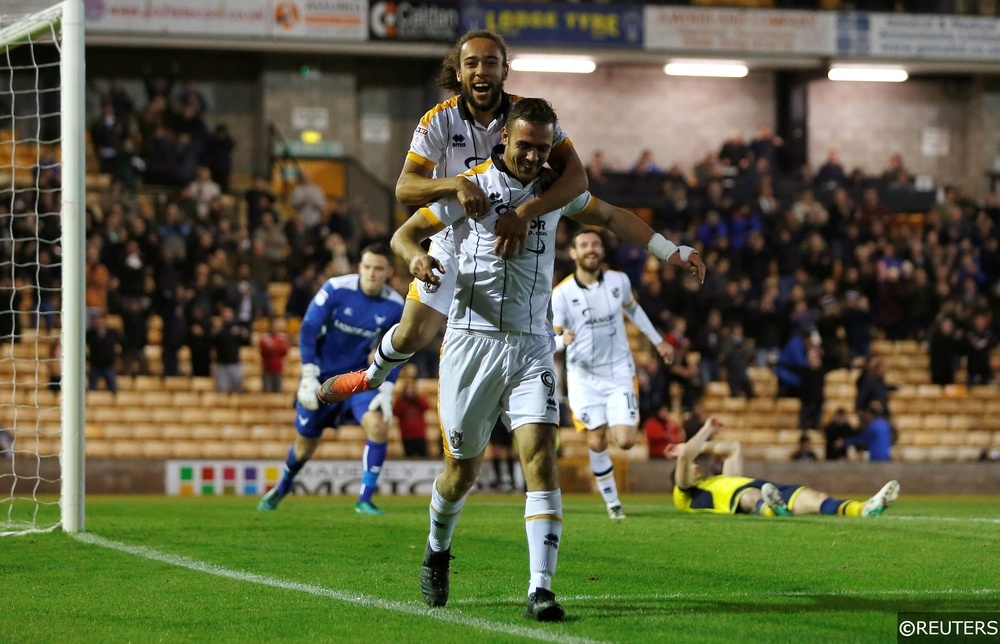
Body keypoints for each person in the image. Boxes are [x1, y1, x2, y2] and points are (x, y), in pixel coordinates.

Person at [377, 98, 705, 620]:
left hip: (531, 346)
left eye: (542, 147)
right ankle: (437, 548)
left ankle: (541, 588)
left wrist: (672, 251)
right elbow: (405, 233)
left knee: (541, 459)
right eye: (524, 144)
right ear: (504, 139)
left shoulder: (554, 197)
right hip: (470, 343)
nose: (532, 156)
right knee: (460, 475)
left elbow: (615, 217)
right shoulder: (472, 188)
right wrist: (417, 257)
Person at [320, 29, 588, 401]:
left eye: (491, 62)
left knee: (518, 331)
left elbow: (578, 177)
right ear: (459, 72)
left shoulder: (527, 115)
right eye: (471, 63)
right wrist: (456, 184)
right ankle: (371, 375)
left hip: (506, 242)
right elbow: (405, 188)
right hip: (450, 241)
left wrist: (526, 212)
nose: (482, 70)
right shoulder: (438, 120)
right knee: (412, 335)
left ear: (504, 70)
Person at [258, 243, 404, 515]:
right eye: (368, 267)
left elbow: (397, 350)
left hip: (359, 380)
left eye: (379, 269)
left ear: (388, 272)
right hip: (323, 379)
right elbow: (309, 329)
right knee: (304, 448)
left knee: (378, 425)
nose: (372, 273)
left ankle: (365, 500)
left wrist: (387, 390)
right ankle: (283, 486)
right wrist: (309, 374)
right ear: (360, 267)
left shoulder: (396, 307)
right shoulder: (336, 289)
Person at [551, 228, 675, 519]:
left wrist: (658, 341)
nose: (590, 249)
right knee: (596, 439)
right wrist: (561, 341)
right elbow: (551, 337)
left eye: (595, 244)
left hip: (619, 371)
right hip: (583, 376)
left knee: (626, 440)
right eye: (583, 244)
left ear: (602, 250)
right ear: (573, 253)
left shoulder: (619, 281)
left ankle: (612, 497)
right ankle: (612, 503)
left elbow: (634, 310)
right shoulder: (562, 294)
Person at [673, 417, 899, 518]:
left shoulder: (723, 479)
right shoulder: (686, 494)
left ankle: (862, 509)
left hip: (768, 490)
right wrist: (701, 433)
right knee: (750, 497)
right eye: (691, 465)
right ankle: (771, 510)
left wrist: (701, 447)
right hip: (752, 497)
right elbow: (684, 460)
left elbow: (733, 447)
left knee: (815, 497)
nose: (695, 467)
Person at [393, 378, 430, 458]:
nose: (410, 391)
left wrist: (417, 398)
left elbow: (426, 406)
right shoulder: (400, 402)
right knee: (408, 457)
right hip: (407, 436)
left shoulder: (419, 400)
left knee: (423, 457)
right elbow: (395, 412)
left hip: (420, 435)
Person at [85, 312, 121, 394]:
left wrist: (117, 359)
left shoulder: (113, 333)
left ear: (105, 321)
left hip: (109, 365)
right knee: (91, 389)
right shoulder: (90, 334)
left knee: (113, 389)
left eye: (101, 320)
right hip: (95, 366)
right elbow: (85, 348)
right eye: (97, 320)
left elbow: (120, 346)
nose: (99, 322)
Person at [258, 316, 290, 394]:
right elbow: (263, 352)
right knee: (267, 393)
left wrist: (274, 349)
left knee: (278, 392)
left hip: (278, 369)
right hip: (267, 369)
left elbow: (284, 351)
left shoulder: (282, 338)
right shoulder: (264, 338)